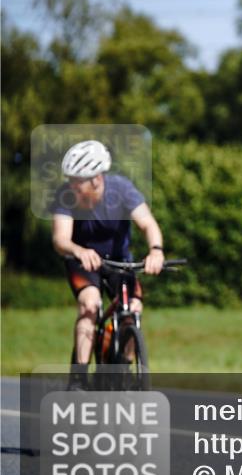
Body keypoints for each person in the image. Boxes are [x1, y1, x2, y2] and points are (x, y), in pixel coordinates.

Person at [50, 140, 165, 389]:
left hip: (119, 262)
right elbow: (60, 239)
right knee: (90, 305)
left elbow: (148, 224)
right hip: (83, 261)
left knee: (133, 309)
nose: (72, 185)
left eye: (77, 181)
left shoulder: (122, 189)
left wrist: (155, 251)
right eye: (70, 179)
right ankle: (79, 379)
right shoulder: (65, 196)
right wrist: (79, 250)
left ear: (96, 179)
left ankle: (122, 368)